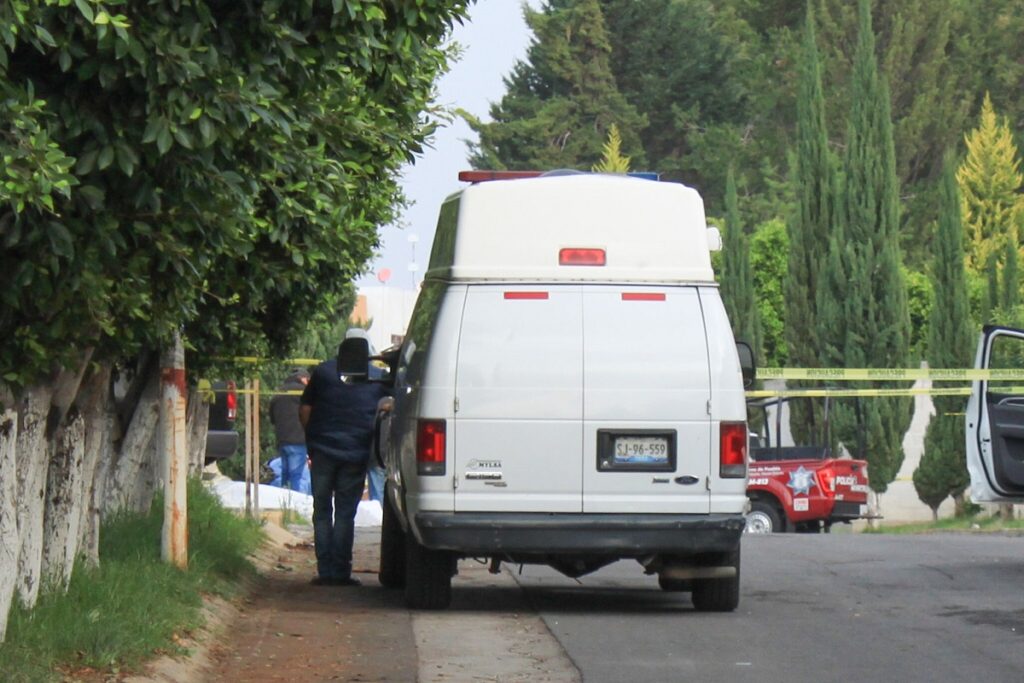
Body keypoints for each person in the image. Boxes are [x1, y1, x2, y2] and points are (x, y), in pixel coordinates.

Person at [300, 331, 391, 586]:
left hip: (322, 451)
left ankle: (324, 571)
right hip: (355, 453)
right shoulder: (377, 377)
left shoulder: (324, 372)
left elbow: (305, 409)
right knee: (344, 514)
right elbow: (394, 401)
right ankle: (340, 573)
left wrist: (312, 441)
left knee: (321, 511)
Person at [269, 369, 311, 495]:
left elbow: (272, 417)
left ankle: (284, 505)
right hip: (299, 440)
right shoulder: (304, 393)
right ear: (302, 378)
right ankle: (294, 506)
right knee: (296, 476)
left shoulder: (278, 393)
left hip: (282, 440)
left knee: (285, 475)